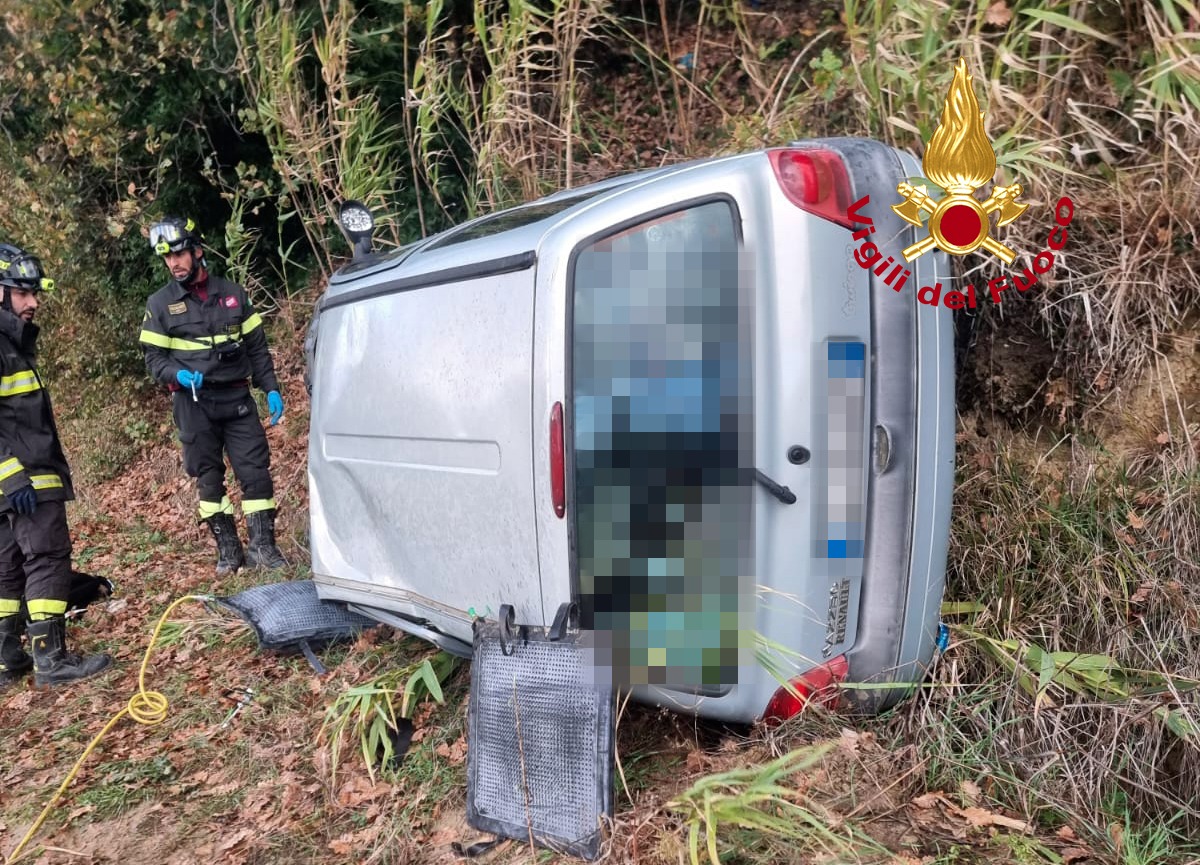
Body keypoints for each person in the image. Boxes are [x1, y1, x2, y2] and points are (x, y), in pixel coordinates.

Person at [138, 216, 288, 577]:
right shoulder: (160, 305)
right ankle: (228, 550)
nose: (174, 263)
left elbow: (257, 348)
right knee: (208, 478)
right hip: (193, 404)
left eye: (179, 255)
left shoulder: (233, 293)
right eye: (167, 258)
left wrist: (270, 388)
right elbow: (154, 359)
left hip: (236, 400)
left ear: (197, 251)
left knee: (255, 473)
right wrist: (177, 374)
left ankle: (263, 548)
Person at [0, 243, 112, 688]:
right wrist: (12, 474)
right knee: (47, 558)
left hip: (11, 485)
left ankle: (9, 656)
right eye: (22, 293)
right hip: (25, 480)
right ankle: (51, 660)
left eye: (35, 293)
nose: (33, 303)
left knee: (7, 569)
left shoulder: (11, 343)